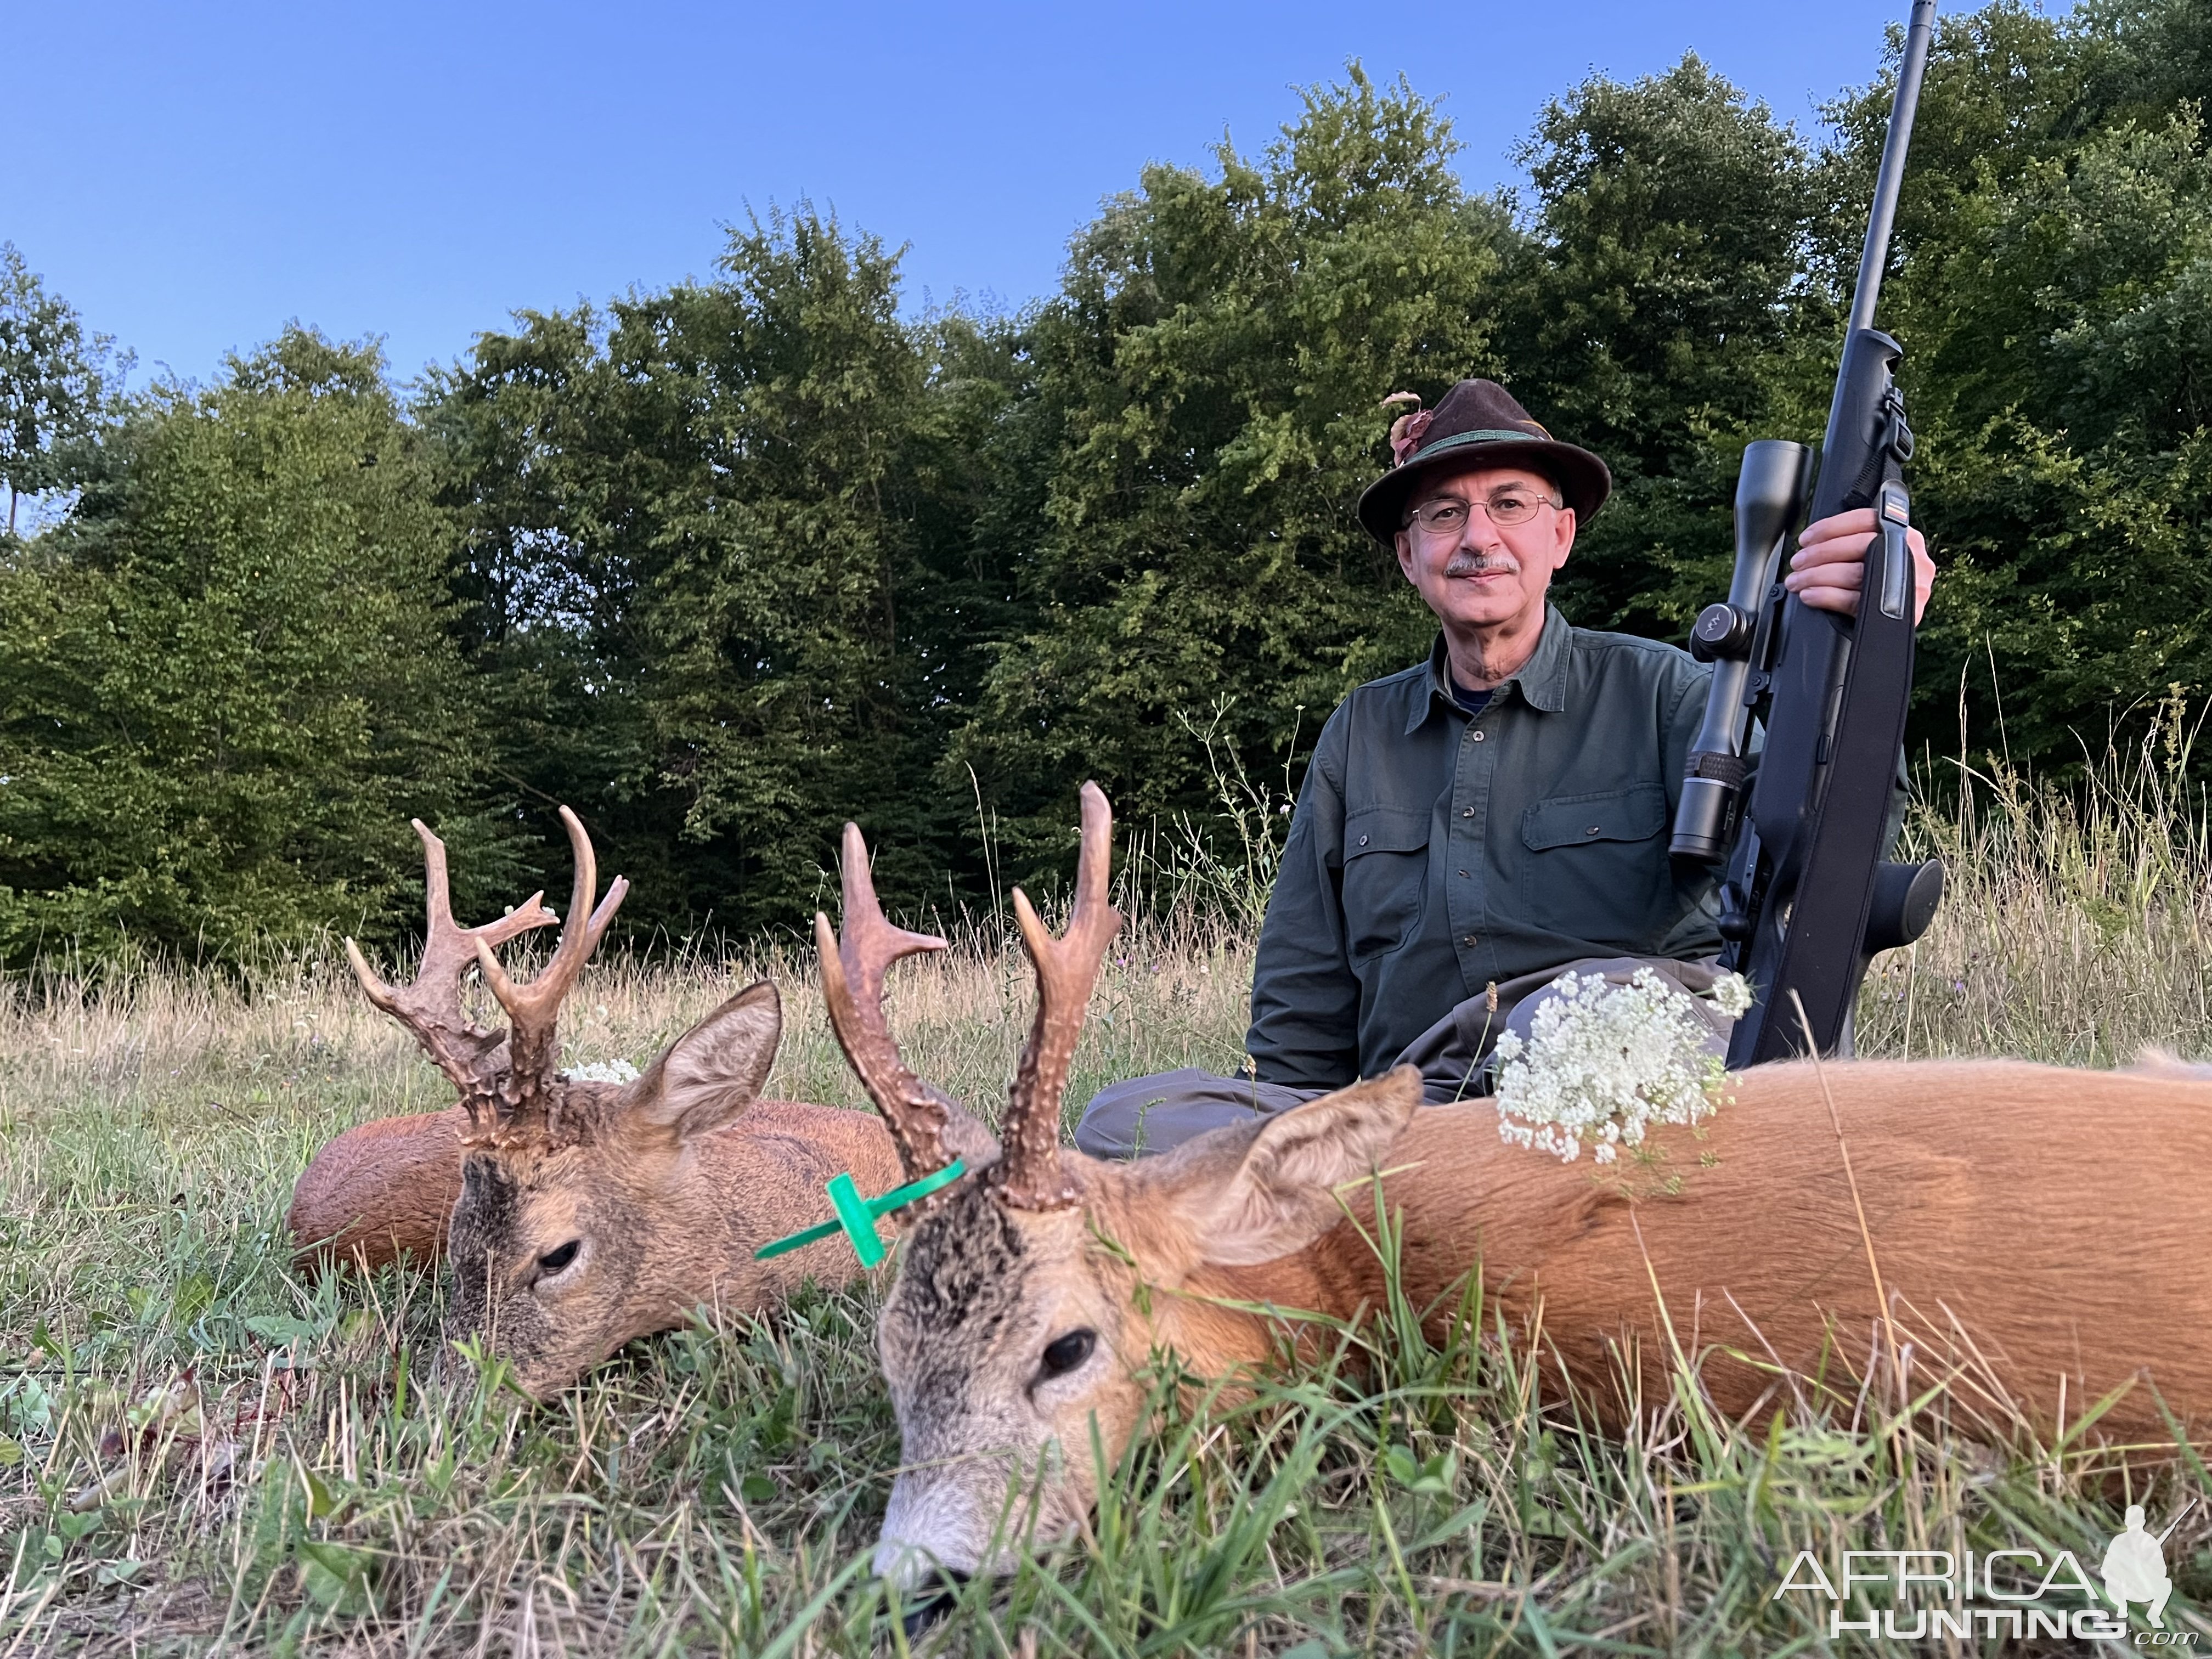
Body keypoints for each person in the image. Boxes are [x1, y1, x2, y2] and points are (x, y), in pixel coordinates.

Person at [1075, 377, 1934, 1159]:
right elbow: (1302, 1017)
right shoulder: (1360, 734)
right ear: (1410, 558)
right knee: (1123, 1124)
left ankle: (1426, 1198)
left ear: (1560, 536)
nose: (1478, 539)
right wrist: (1284, 1135)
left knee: (1562, 1019)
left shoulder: (1669, 691)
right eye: (1443, 515)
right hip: (1407, 1116)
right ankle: (1419, 1191)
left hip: (1603, 1079)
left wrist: (1866, 645)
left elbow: (1831, 850)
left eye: (1510, 505)